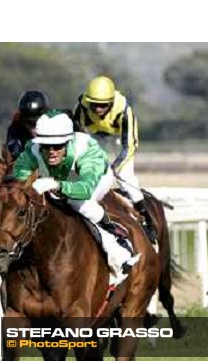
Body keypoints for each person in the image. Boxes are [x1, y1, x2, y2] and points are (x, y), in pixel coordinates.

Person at [12, 110, 140, 285]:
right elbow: (17, 182)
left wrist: (57, 185)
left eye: (57, 146)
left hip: (96, 179)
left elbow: (85, 188)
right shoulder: (32, 149)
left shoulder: (86, 151)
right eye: (46, 146)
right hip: (58, 178)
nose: (51, 152)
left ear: (68, 141)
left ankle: (118, 247)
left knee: (78, 203)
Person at [73, 75, 157, 243]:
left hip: (120, 141)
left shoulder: (125, 111)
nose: (97, 109)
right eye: (94, 104)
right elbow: (78, 138)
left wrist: (115, 166)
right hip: (94, 139)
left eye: (102, 105)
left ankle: (148, 221)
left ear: (111, 102)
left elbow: (130, 145)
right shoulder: (81, 108)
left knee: (126, 179)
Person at [5, 90, 50, 160]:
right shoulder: (15, 127)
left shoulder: (54, 126)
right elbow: (13, 150)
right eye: (28, 123)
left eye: (36, 122)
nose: (33, 128)